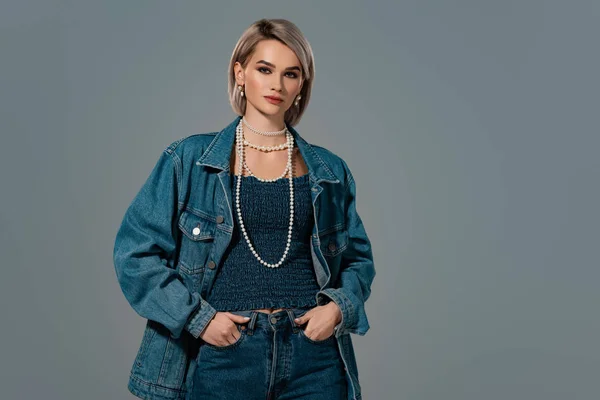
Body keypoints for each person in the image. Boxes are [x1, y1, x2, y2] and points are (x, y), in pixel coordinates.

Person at [113, 18, 375, 400]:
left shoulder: (329, 170)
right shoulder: (189, 160)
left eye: (291, 74)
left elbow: (358, 259)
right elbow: (134, 254)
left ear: (301, 85)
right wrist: (199, 321)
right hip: (225, 354)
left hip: (313, 358)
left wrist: (336, 310)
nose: (276, 85)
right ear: (240, 72)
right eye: (264, 69)